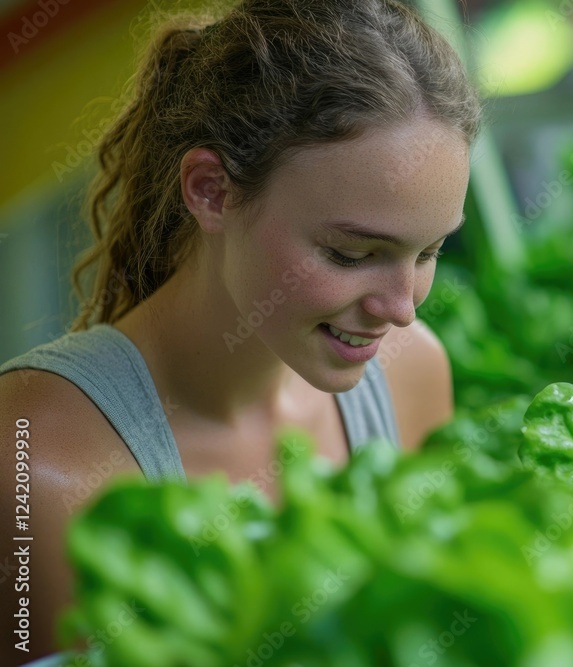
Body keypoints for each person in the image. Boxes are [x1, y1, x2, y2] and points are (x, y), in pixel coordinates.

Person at [0, 0, 480, 661]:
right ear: (211, 191)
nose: (402, 309)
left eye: (427, 253)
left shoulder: (413, 377)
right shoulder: (30, 459)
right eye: (350, 252)